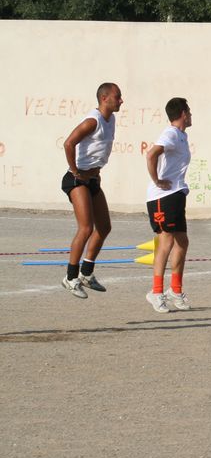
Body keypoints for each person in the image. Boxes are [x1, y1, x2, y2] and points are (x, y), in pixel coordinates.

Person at [60, 82, 123, 298]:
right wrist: (75, 171)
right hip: (77, 180)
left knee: (104, 227)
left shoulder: (111, 119)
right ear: (104, 98)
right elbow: (68, 144)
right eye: (117, 96)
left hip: (93, 179)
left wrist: (95, 172)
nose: (121, 100)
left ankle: (86, 273)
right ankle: (70, 277)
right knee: (86, 228)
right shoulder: (92, 121)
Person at [144, 98, 193, 313]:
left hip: (176, 194)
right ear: (183, 113)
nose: (191, 115)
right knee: (166, 242)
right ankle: (156, 292)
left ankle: (175, 290)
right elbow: (152, 154)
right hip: (162, 197)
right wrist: (156, 180)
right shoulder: (171, 133)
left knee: (182, 242)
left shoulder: (182, 136)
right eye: (189, 111)